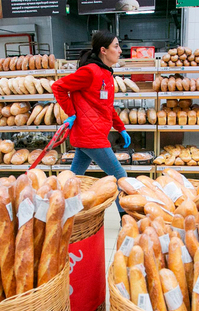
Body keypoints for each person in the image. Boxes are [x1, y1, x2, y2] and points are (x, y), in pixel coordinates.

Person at [52, 30, 130, 217]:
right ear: (103, 50)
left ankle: (60, 212)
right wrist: (71, 113)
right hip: (91, 136)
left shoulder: (107, 74)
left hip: (91, 135)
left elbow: (107, 107)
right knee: (120, 177)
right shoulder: (89, 72)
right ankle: (125, 220)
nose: (120, 51)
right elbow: (58, 87)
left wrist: (121, 127)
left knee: (72, 179)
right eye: (116, 46)